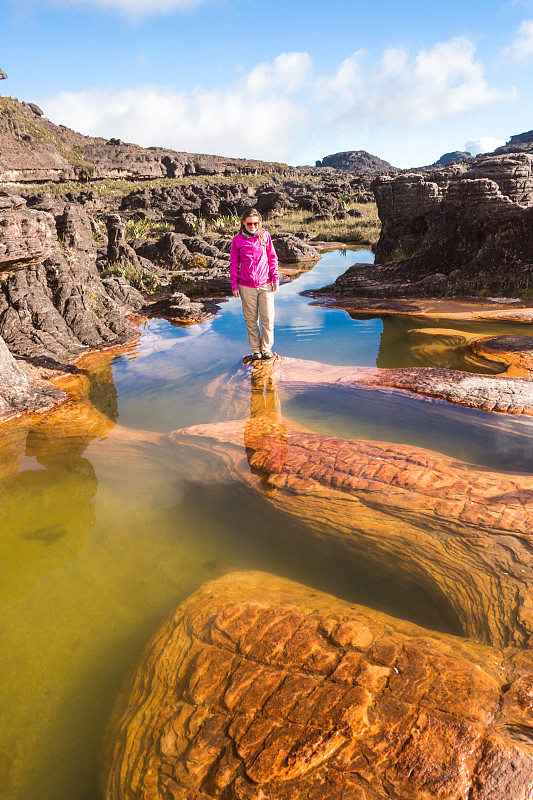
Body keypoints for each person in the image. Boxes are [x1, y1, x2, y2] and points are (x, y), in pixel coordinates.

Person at [230, 208, 279, 360]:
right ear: (244, 223)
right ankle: (256, 351)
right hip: (246, 286)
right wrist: (234, 285)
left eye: (255, 223)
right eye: (249, 223)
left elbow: (272, 258)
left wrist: (275, 277)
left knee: (268, 318)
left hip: (266, 284)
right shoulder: (237, 240)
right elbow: (233, 264)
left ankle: (266, 349)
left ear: (259, 223)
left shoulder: (265, 236)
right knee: (251, 320)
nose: (252, 226)